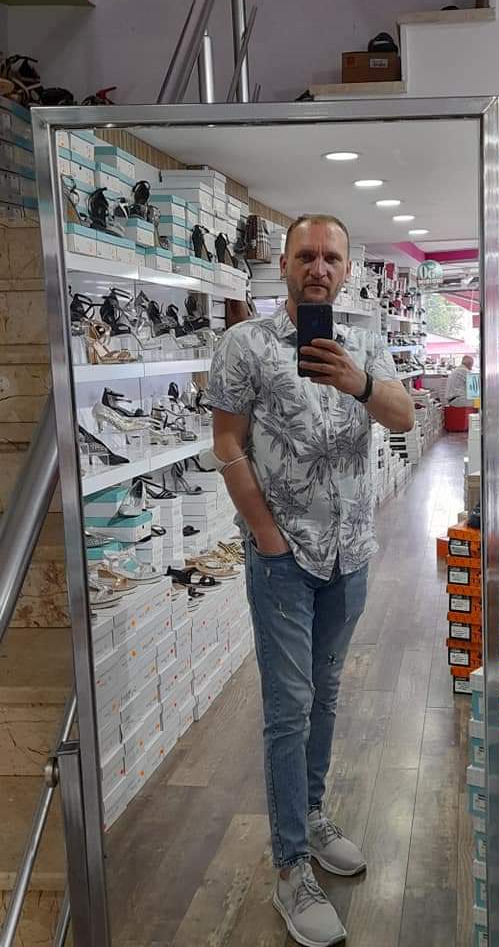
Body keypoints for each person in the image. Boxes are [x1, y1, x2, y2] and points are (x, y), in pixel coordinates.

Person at [206, 213, 415, 947]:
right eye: (305, 256)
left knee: (325, 695)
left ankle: (315, 815)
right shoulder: (245, 345)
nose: (318, 267)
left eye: (331, 257)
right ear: (284, 266)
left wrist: (360, 382)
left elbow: (403, 415)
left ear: (348, 269)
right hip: (283, 559)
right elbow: (226, 441)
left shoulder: (365, 341)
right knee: (288, 708)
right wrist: (266, 536)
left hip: (350, 554)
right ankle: (291, 863)